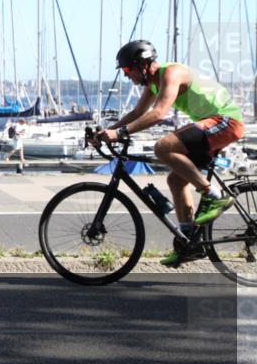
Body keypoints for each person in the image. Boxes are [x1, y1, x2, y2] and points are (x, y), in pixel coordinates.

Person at [96, 40, 244, 266]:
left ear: (142, 65)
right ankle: (189, 244)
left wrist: (121, 133)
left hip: (226, 121)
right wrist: (107, 132)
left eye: (127, 70)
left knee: (163, 147)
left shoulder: (171, 73)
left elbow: (159, 113)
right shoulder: (152, 84)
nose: (127, 76)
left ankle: (214, 197)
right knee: (175, 180)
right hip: (212, 124)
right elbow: (138, 112)